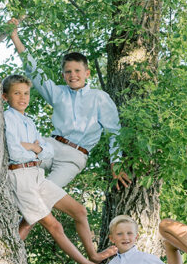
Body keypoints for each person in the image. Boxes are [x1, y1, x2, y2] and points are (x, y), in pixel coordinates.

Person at [3, 74, 114, 264]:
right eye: (17, 93)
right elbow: (14, 152)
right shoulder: (7, 119)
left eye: (26, 93)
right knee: (54, 226)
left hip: (37, 174)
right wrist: (35, 148)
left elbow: (48, 151)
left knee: (79, 211)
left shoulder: (29, 121)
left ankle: (94, 255)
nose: (22, 97)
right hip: (21, 178)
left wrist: (34, 148)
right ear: (5, 97)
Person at [9, 21, 130, 188]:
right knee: (12, 163)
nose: (73, 75)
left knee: (45, 193)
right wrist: (15, 37)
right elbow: (34, 71)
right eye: (68, 72)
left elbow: (114, 133)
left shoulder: (100, 98)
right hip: (50, 146)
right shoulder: (57, 92)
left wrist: (116, 164)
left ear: (87, 73)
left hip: (74, 156)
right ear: (63, 75)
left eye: (77, 71)